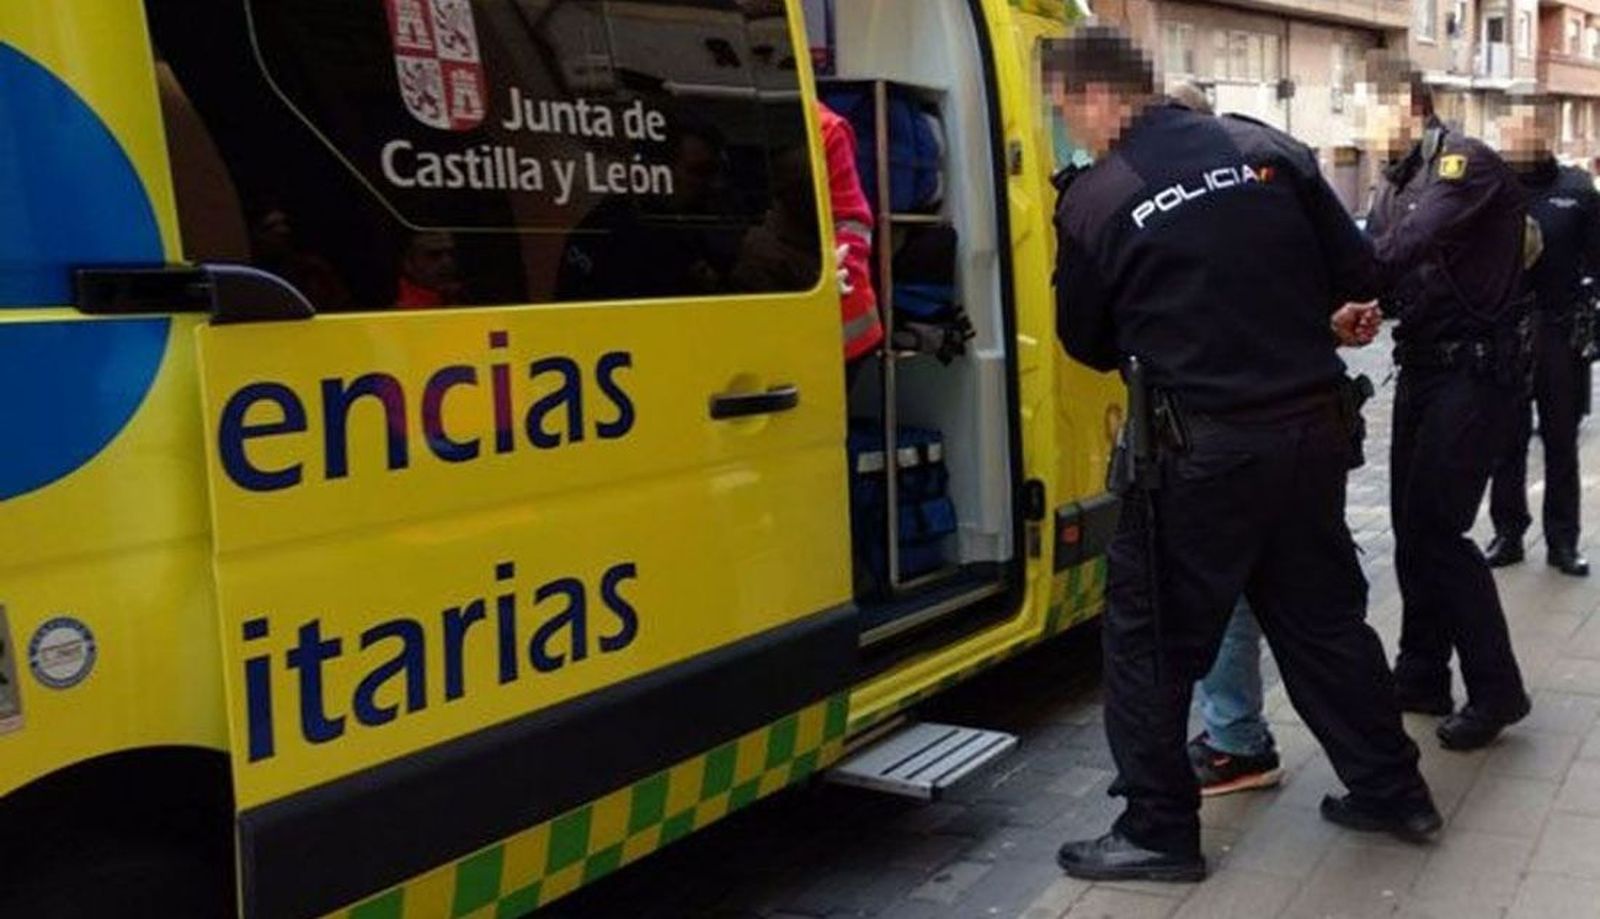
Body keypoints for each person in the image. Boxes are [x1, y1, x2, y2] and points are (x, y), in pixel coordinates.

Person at [1046, 27, 1437, 884]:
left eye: (1065, 109)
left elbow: (1083, 338)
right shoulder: (1270, 150)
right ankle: (1392, 790)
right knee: (1323, 620)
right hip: (1309, 433)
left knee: (1148, 640)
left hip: (1200, 454)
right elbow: (1359, 270)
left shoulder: (1096, 196)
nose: (1069, 127)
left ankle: (1157, 831)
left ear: (1092, 97)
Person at [1364, 53, 1534, 750]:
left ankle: (1497, 689)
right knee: (1411, 525)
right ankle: (1422, 671)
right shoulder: (1397, 180)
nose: (1360, 128)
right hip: (1424, 367)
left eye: (1365, 109)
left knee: (1439, 529)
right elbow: (1388, 265)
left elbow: (1402, 246)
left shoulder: (1464, 165)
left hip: (1475, 372)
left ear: (1406, 105)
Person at [1161, 80, 1286, 799]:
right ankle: (1380, 773)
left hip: (1221, 431)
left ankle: (1239, 739)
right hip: (1291, 427)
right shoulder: (1269, 179)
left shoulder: (1184, 201)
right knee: (1303, 599)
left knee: (1229, 592)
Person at [1485, 99, 1600, 578]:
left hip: (1559, 330)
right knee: (1505, 441)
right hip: (1506, 331)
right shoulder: (1491, 187)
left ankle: (1563, 541)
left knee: (1560, 441)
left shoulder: (1578, 189)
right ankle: (1509, 533)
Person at [394, 231, 464, 308]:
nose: (447, 262)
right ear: (408, 262)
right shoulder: (395, 300)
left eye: (451, 253)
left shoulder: (462, 295)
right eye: (434, 254)